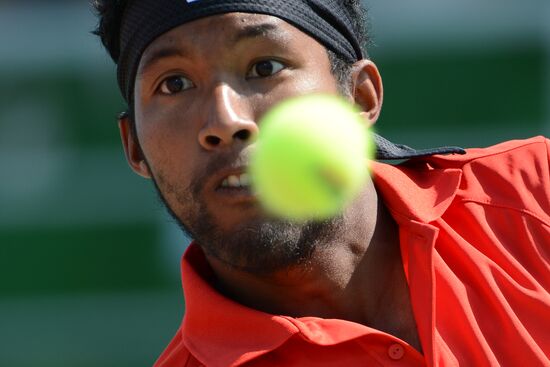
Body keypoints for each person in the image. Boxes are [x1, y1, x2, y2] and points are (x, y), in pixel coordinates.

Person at [92, 0, 550, 366]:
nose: (224, 120)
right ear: (134, 147)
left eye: (264, 68)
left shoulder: (538, 189)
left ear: (360, 96)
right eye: (174, 84)